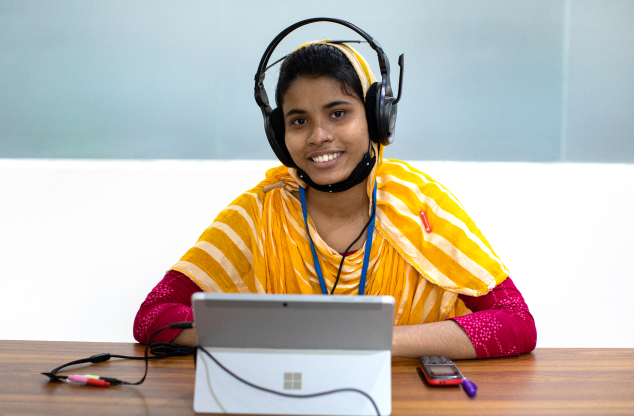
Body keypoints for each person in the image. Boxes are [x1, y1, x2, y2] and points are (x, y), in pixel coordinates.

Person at [134, 39, 536, 359]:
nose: (318, 136)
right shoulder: (260, 212)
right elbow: (153, 316)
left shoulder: (420, 206)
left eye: (338, 113)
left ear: (377, 117)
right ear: (279, 135)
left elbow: (517, 324)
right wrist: (278, 336)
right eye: (299, 121)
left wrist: (372, 340)